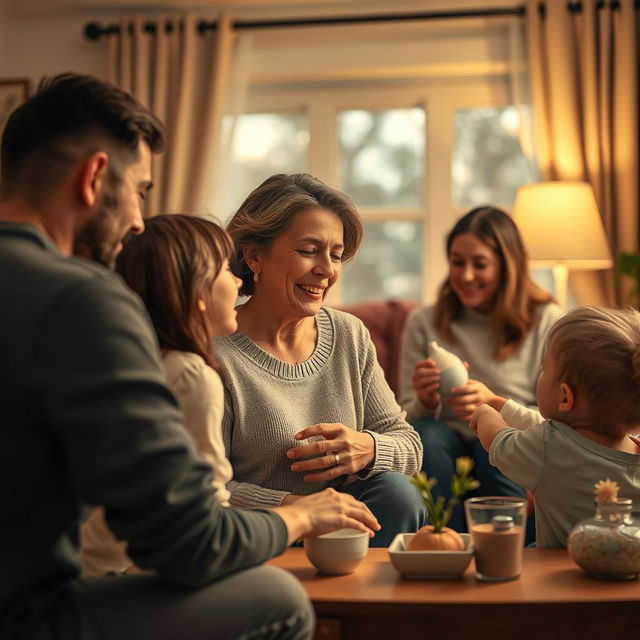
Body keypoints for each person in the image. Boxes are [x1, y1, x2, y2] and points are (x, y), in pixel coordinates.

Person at [0, 74, 380, 640]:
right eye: (140, 191)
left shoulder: (345, 335)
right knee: (279, 599)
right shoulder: (84, 301)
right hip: (27, 616)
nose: (136, 222)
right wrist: (300, 514)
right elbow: (187, 544)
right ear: (94, 177)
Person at [218, 173, 426, 547]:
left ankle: (376, 605)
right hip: (259, 535)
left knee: (398, 493)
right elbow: (205, 487)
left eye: (335, 254)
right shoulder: (215, 353)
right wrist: (298, 510)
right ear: (253, 256)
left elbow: (410, 446)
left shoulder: (350, 334)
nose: (327, 270)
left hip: (346, 539)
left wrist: (368, 447)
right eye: (308, 250)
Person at [81, 214, 239, 576]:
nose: (239, 280)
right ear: (198, 291)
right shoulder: (191, 375)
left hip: (87, 565)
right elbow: (210, 510)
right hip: (128, 573)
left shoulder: (132, 364)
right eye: (227, 270)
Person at [400, 206, 562, 531]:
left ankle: (503, 551)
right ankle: (444, 543)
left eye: (480, 264)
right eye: (458, 262)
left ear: (507, 265)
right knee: (427, 437)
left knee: (500, 441)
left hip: (510, 436)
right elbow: (404, 419)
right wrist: (426, 401)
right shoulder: (424, 322)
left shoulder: (546, 320)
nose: (466, 275)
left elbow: (558, 420)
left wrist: (495, 405)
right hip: (442, 440)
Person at [470, 306, 640, 547]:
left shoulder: (547, 448)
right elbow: (557, 433)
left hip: (562, 577)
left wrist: (487, 414)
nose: (541, 373)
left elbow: (498, 440)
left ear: (564, 397)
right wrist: (501, 404)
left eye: (544, 368)